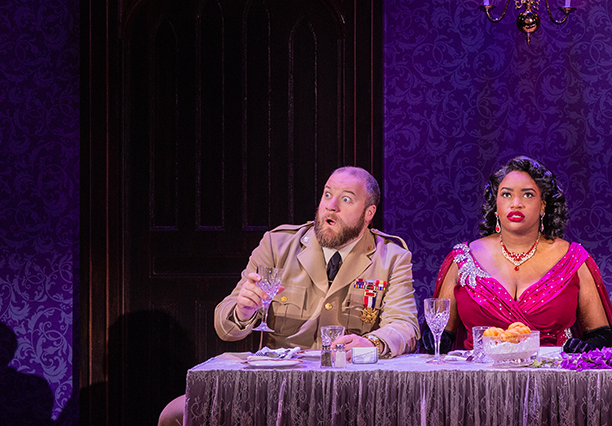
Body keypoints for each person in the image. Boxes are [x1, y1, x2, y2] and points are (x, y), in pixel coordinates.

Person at [160, 166, 418, 425]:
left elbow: (404, 325)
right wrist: (243, 311)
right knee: (173, 414)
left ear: (368, 213)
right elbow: (226, 329)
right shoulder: (276, 245)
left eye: (346, 199)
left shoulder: (392, 257)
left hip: (353, 387)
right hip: (279, 387)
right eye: (327, 195)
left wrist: (372, 343)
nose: (331, 206)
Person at [432, 156, 612, 352]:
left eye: (527, 195)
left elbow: (601, 335)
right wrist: (434, 340)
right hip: (479, 378)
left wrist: (584, 347)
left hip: (551, 376)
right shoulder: (463, 258)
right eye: (506, 195)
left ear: (543, 205)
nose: (516, 203)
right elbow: (440, 333)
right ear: (496, 204)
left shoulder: (573, 258)